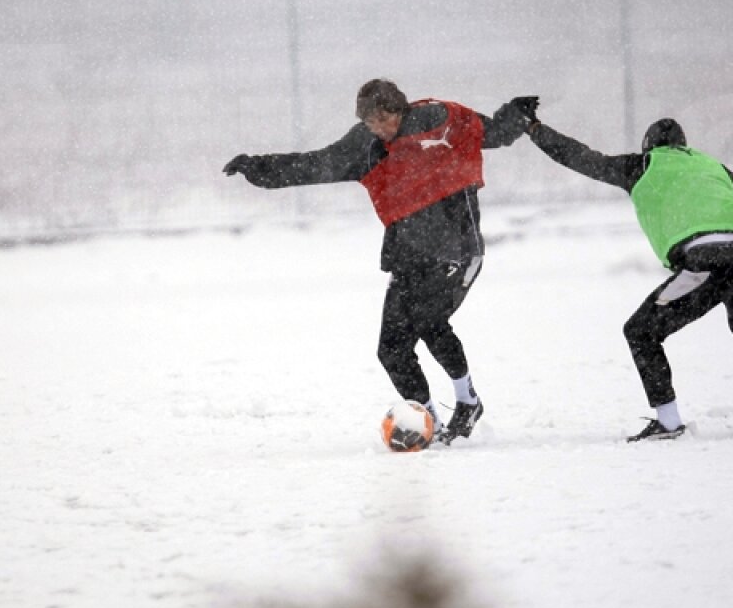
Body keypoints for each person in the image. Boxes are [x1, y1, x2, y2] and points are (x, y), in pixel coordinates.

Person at [224, 79, 537, 444]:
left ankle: (467, 401)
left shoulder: (438, 120)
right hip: (408, 255)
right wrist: (256, 167)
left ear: (400, 109)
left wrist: (518, 114)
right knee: (391, 349)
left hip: (457, 247)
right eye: (371, 124)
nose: (379, 129)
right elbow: (313, 164)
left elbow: (491, 133)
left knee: (428, 321)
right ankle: (428, 421)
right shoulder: (366, 145)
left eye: (384, 120)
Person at [523, 114, 733, 441]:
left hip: (706, 261)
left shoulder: (643, 165)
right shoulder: (709, 165)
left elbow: (580, 158)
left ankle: (669, 423)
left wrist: (535, 129)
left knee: (640, 332)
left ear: (648, 146)